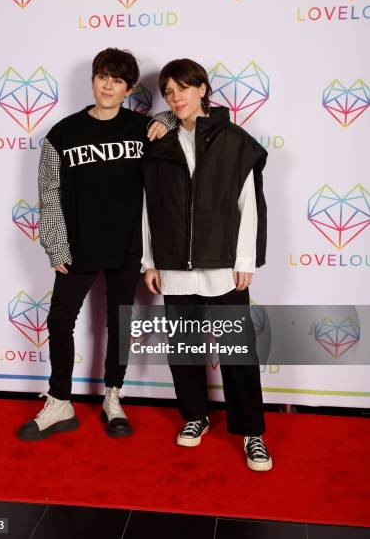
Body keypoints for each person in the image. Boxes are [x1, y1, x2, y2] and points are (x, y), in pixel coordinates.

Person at [17, 48, 168, 441]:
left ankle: (113, 397)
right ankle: (60, 401)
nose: (108, 85)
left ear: (129, 88)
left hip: (127, 245)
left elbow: (181, 122)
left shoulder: (141, 129)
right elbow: (48, 192)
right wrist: (55, 244)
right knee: (59, 321)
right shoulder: (63, 132)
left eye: (117, 80)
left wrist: (166, 119)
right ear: (93, 79)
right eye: (103, 76)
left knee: (119, 323)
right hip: (79, 245)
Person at [142, 58, 272, 471]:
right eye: (168, 91)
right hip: (174, 268)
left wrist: (245, 258)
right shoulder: (159, 144)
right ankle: (195, 417)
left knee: (238, 354)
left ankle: (252, 433)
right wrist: (150, 261)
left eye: (183, 87)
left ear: (202, 89)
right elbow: (150, 209)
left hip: (223, 266)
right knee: (184, 351)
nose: (175, 96)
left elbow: (249, 203)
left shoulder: (236, 141)